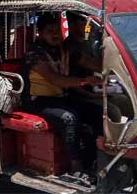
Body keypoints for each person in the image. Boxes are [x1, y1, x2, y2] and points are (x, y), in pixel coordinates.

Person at [23, 14, 100, 171]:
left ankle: (94, 160)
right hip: (40, 102)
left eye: (58, 30)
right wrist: (84, 80)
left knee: (98, 113)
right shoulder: (35, 54)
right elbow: (55, 79)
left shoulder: (65, 48)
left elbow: (92, 63)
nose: (56, 34)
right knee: (69, 119)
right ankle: (75, 167)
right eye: (50, 31)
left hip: (64, 99)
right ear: (40, 33)